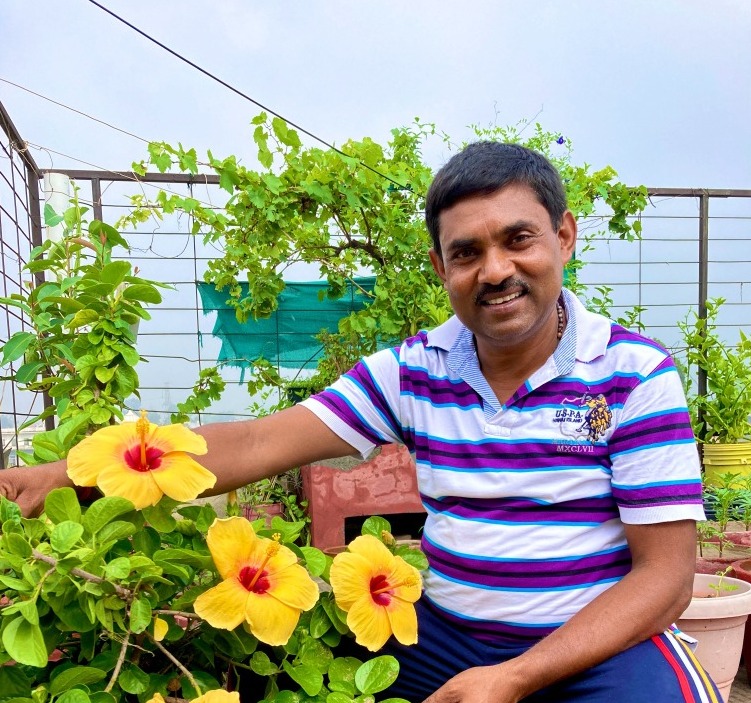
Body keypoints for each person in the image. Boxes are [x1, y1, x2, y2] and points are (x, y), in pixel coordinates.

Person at [0, 142, 716, 703]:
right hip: (442, 636)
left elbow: (665, 578)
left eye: (518, 239)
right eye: (466, 253)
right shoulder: (413, 370)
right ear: (440, 266)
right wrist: (67, 475)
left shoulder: (633, 375)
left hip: (594, 646)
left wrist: (515, 678)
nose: (494, 270)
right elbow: (258, 439)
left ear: (563, 236)